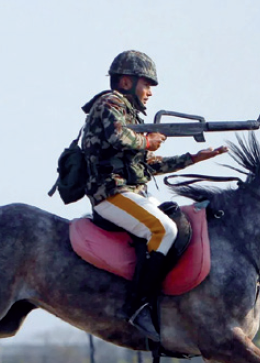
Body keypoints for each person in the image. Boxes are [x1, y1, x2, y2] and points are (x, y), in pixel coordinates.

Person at [81, 50, 228, 341]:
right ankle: (138, 306)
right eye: (146, 84)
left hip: (132, 192)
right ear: (125, 81)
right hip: (111, 194)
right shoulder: (109, 103)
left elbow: (147, 164)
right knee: (163, 229)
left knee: (178, 221)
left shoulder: (129, 113)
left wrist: (193, 158)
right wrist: (148, 140)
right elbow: (119, 137)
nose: (149, 92)